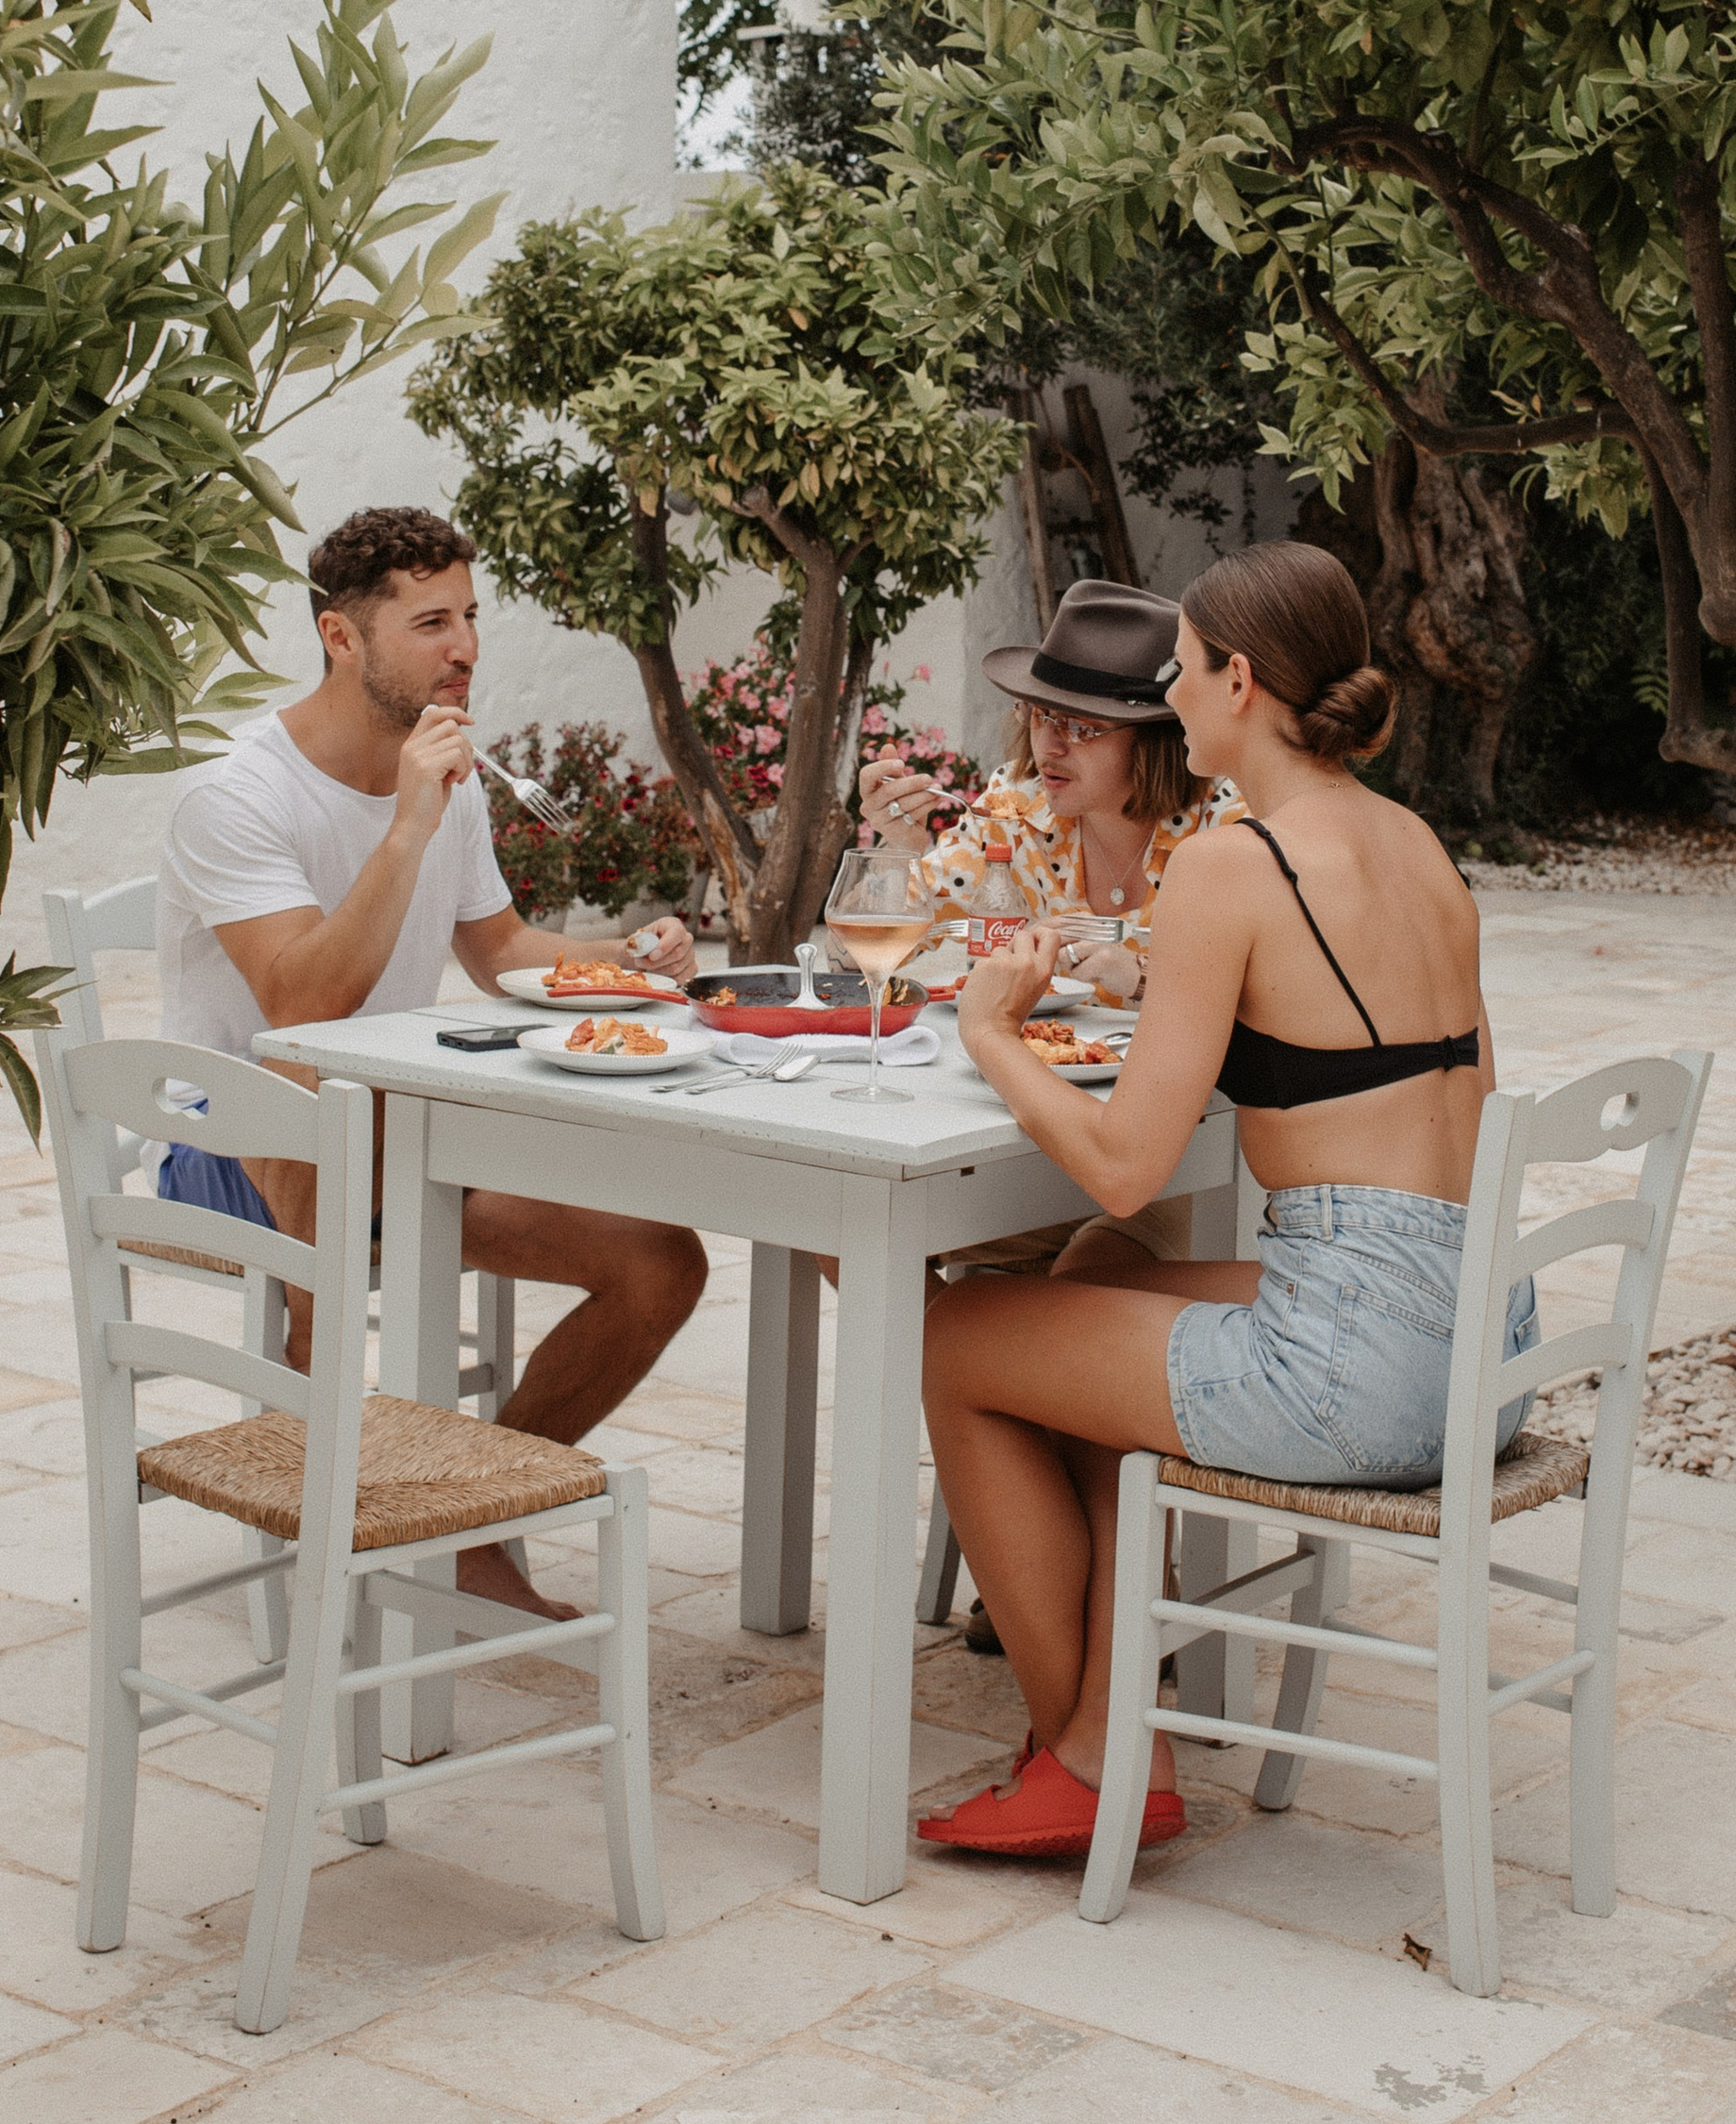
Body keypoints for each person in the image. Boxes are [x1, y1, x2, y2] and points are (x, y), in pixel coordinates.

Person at [911, 539, 1537, 1858]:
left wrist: (993, 1038)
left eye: (1182, 672)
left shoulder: (1232, 864)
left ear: (1240, 679)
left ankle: (1088, 1768)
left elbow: (1129, 1164)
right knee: (1086, 1282)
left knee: (956, 1336)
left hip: (1360, 1369)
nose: (1172, 698)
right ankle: (1097, 1724)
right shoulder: (1417, 843)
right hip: (1483, 1335)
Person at [154, 504, 709, 1619]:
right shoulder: (235, 794)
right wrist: (406, 824)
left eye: (468, 618)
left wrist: (621, 963)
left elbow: (501, 953)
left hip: (397, 1143)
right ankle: (335, 1495)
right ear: (341, 637)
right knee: (320, 1093)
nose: (463, 649)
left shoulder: (446, 777)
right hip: (236, 1147)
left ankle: (462, 1511)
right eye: (428, 623)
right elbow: (301, 1006)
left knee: (663, 1263)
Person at [632, 578, 1242, 1288]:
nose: (1050, 746)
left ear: (1157, 740)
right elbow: (864, 953)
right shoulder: (1016, 808)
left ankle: (964, 1364)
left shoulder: (1224, 829)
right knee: (843, 1226)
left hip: (1171, 1162)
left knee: (1075, 1284)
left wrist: (1137, 981)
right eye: (1042, 716)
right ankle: (953, 1366)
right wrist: (895, 850)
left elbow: (1254, 1006)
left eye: (1083, 728)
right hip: (1021, 1139)